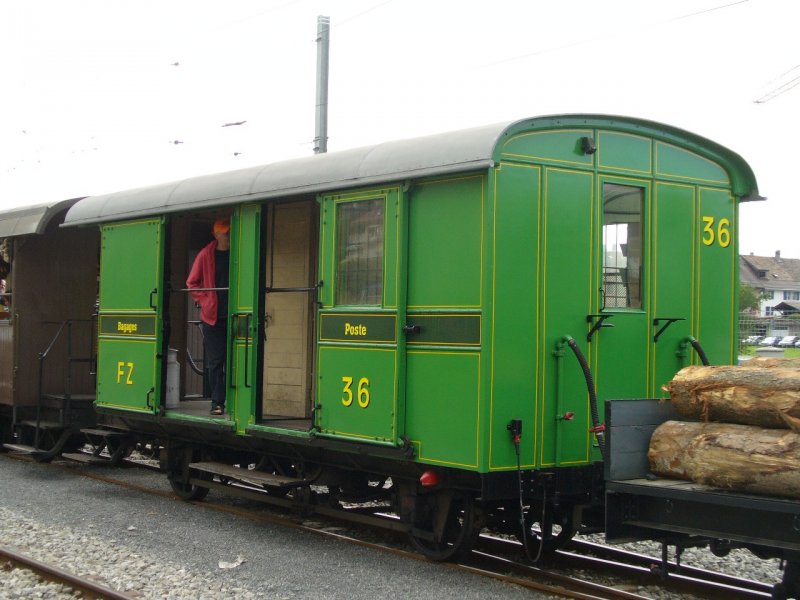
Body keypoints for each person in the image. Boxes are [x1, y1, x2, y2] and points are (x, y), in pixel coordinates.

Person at [186, 217, 230, 415]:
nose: (229, 236)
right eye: (226, 233)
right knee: (215, 362)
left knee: (236, 359)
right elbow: (192, 282)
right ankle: (217, 403)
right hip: (213, 317)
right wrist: (205, 300)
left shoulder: (239, 252)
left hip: (235, 314)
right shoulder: (205, 255)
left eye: (230, 232)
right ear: (216, 235)